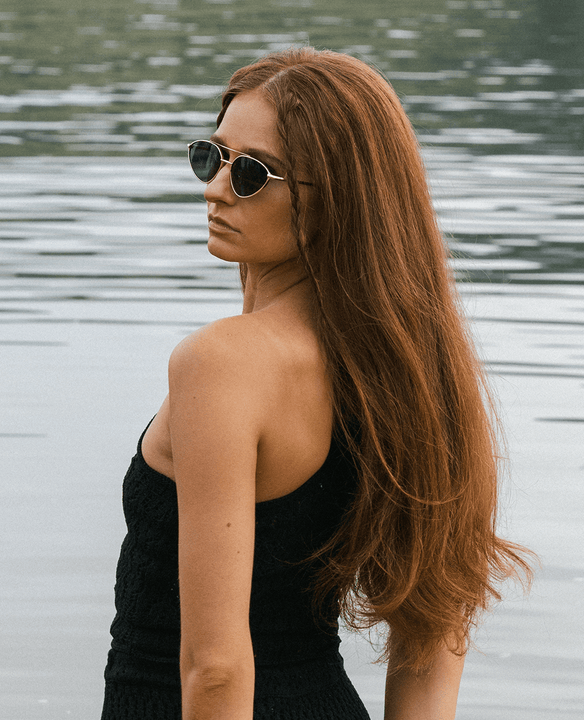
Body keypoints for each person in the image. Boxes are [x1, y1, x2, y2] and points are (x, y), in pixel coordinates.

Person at [100, 47, 532, 719]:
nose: (214, 189)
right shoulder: (418, 371)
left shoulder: (220, 362)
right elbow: (432, 638)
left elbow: (216, 670)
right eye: (212, 157)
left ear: (336, 198)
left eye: (252, 174)